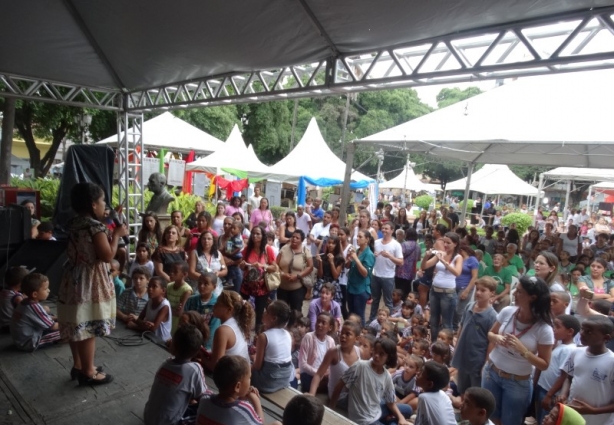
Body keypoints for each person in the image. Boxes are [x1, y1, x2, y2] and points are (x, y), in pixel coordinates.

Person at [57, 182, 127, 386]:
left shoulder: (75, 223)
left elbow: (89, 234)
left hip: (73, 277)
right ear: (92, 204)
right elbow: (107, 255)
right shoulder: (96, 227)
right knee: (88, 325)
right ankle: (89, 372)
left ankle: (78, 365)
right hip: (90, 280)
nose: (105, 204)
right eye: (102, 200)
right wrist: (116, 235)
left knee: (76, 323)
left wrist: (106, 220)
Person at [483, 276, 554, 425]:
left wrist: (524, 351)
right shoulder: (508, 311)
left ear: (532, 297)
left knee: (511, 421)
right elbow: (490, 333)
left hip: (517, 382)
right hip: (492, 372)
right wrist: (496, 338)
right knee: (489, 417)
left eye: (520, 291)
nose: (514, 293)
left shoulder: (544, 329)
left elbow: (544, 364)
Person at [330, 338, 412, 425]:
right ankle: (390, 420)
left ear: (388, 358)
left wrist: (401, 418)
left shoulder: (386, 376)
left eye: (381, 354)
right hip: (365, 420)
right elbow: (340, 384)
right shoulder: (360, 366)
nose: (376, 355)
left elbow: (390, 403)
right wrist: (331, 409)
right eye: (376, 351)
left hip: (376, 410)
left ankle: (390, 419)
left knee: (408, 410)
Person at [555, 315, 614, 425]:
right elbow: (569, 377)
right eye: (582, 329)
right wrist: (563, 394)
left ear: (606, 338)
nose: (582, 333)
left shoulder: (611, 362)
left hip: (599, 421)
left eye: (589, 332)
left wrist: (593, 411)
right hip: (574, 418)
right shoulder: (576, 352)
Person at [143, 325, 207, 425]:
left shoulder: (166, 363)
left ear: (172, 345)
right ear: (197, 351)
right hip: (170, 422)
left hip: (148, 418)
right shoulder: (195, 369)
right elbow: (203, 398)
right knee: (205, 411)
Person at [452, 277, 497, 394]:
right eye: (477, 289)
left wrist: (486, 363)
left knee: (474, 391)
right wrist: (457, 347)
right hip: (463, 356)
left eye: (483, 290)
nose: (478, 292)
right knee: (462, 388)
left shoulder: (492, 316)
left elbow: (491, 342)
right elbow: (461, 327)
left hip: (477, 359)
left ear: (492, 293)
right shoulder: (469, 306)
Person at [196, 355, 267, 425]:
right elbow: (260, 423)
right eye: (249, 377)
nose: (250, 380)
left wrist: (240, 397)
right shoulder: (244, 409)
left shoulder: (204, 399)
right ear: (237, 387)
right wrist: (255, 398)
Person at [536, 314, 580, 424]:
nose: (553, 329)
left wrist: (549, 395)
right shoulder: (561, 345)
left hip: (549, 392)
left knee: (545, 419)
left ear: (570, 332)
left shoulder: (569, 350)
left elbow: (563, 376)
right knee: (539, 417)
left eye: (557, 327)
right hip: (543, 388)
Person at [308, 320, 361, 406]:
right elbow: (318, 374)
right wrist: (311, 394)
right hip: (338, 397)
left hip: (351, 394)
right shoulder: (334, 352)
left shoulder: (359, 352)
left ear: (357, 338)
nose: (343, 336)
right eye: (342, 333)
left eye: (348, 334)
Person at [421, 232, 463, 337]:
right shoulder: (440, 253)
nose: (445, 245)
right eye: (444, 242)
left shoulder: (458, 257)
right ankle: (434, 344)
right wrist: (426, 256)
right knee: (433, 320)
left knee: (446, 323)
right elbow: (424, 266)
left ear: (455, 244)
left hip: (447, 293)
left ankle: (444, 347)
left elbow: (457, 273)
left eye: (448, 243)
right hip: (434, 291)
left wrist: (444, 262)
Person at [203, 290, 253, 371]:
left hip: (233, 377)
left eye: (218, 304)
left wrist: (201, 356)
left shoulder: (223, 330)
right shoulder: (237, 322)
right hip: (243, 373)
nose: (214, 306)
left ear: (229, 309)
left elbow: (215, 366)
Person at [251, 300, 294, 393]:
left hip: (268, 383)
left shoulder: (264, 336)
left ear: (273, 318)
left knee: (244, 366)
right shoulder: (288, 334)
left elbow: (257, 366)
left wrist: (252, 361)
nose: (264, 313)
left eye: (267, 312)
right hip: (285, 379)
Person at [10, 273, 60, 352]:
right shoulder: (34, 307)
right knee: (67, 330)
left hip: (20, 340)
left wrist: (57, 318)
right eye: (46, 288)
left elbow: (41, 317)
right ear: (35, 294)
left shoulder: (25, 302)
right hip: (29, 342)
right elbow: (52, 326)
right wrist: (68, 322)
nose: (49, 290)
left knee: (52, 316)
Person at [239, 226, 277, 326]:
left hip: (262, 286)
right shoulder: (247, 249)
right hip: (247, 284)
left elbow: (274, 268)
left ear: (263, 236)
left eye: (258, 234)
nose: (255, 236)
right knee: (242, 307)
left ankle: (257, 332)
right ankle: (243, 328)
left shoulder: (267, 249)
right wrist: (242, 265)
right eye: (253, 234)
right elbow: (242, 264)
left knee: (259, 312)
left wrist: (262, 265)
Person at [368, 223, 403, 323]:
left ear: (392, 230)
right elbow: (373, 256)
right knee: (375, 300)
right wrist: (374, 255)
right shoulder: (376, 242)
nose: (384, 230)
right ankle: (372, 320)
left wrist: (390, 256)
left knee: (388, 301)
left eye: (386, 228)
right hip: (376, 275)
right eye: (383, 228)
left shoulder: (396, 244)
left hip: (388, 277)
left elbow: (401, 262)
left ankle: (388, 322)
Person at [277, 230, 314, 313]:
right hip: (282, 288)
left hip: (298, 289)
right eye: (293, 237)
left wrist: (297, 276)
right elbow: (276, 264)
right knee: (281, 312)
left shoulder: (305, 251)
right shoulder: (284, 248)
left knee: (296, 312)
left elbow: (310, 267)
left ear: (302, 240)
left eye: (297, 238)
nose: (294, 239)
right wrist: (283, 274)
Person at [299, 312, 336, 393]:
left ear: (330, 327)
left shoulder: (330, 341)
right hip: (309, 375)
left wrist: (326, 374)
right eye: (318, 321)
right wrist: (318, 374)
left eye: (323, 323)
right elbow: (302, 364)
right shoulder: (308, 337)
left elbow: (331, 363)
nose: (319, 324)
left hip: (324, 376)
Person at [184, 272, 220, 350]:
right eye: (199, 283)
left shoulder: (217, 305)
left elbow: (212, 329)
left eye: (206, 284)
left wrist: (205, 348)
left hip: (204, 344)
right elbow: (184, 321)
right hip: (188, 340)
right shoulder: (191, 300)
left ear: (214, 287)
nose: (201, 286)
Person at [346, 230, 376, 326]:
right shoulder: (357, 251)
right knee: (351, 313)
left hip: (361, 289)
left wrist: (356, 259)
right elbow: (348, 266)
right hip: (351, 287)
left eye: (360, 237)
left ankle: (360, 334)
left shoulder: (369, 254)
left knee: (359, 315)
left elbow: (365, 273)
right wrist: (349, 259)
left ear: (367, 239)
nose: (357, 239)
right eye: (357, 236)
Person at [129, 277, 172, 342]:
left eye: (154, 286)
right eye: (149, 286)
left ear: (163, 290)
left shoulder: (164, 306)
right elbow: (139, 319)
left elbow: (153, 328)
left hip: (161, 341)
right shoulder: (150, 301)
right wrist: (144, 323)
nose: (150, 289)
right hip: (149, 337)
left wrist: (134, 326)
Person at [188, 230, 227, 296]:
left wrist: (219, 273)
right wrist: (206, 279)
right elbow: (191, 272)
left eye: (209, 239)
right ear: (200, 240)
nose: (206, 241)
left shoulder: (218, 253)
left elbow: (225, 270)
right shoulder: (194, 253)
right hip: (199, 287)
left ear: (213, 241)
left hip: (216, 288)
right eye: (204, 238)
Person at [454, 245, 480, 331]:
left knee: (459, 311)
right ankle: (452, 327)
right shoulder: (458, 258)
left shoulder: (472, 260)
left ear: (461, 250)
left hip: (465, 287)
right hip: (454, 286)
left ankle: (458, 329)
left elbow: (474, 276)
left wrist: (467, 290)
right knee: (453, 308)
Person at [166, 261, 193, 333]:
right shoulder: (169, 286)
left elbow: (179, 313)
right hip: (167, 319)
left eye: (175, 272)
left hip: (177, 322)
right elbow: (164, 304)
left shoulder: (187, 290)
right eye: (171, 271)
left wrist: (167, 309)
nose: (171, 273)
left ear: (184, 274)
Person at [218, 217, 243, 292]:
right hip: (222, 270)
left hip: (234, 272)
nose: (226, 226)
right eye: (225, 224)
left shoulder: (237, 239)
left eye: (229, 224)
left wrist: (232, 262)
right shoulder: (219, 238)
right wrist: (223, 259)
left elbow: (240, 258)